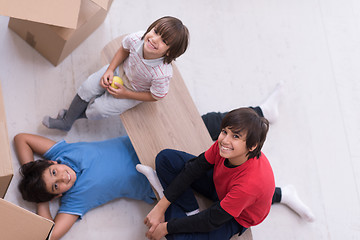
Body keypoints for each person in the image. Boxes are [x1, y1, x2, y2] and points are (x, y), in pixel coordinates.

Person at [136, 83, 315, 240]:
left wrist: (167, 227)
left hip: (235, 216)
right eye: (225, 132)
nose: (224, 140)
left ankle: (163, 191)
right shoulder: (225, 146)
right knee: (166, 159)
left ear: (252, 146)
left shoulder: (248, 186)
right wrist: (161, 206)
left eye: (235, 136)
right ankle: (190, 210)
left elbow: (212, 220)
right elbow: (195, 168)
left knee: (177, 236)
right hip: (221, 186)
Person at [42, 16, 190, 131]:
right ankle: (67, 121)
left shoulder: (162, 74)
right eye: (156, 31)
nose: (154, 39)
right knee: (88, 87)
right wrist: (110, 70)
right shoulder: (137, 38)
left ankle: (70, 118)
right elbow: (124, 49)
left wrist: (126, 94)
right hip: (120, 71)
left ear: (169, 51)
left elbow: (155, 96)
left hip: (134, 91)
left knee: (98, 110)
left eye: (164, 40)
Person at [14, 133, 156, 240]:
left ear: (52, 163)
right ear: (57, 195)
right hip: (157, 180)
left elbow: (21, 139)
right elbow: (50, 235)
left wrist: (30, 171)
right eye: (56, 186)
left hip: (143, 140)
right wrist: (42, 200)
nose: (63, 177)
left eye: (54, 172)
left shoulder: (62, 153)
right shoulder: (75, 200)